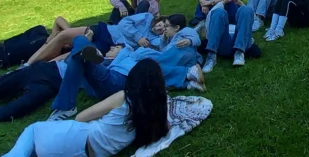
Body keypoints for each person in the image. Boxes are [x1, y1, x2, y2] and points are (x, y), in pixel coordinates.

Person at [1, 59, 169, 157]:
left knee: (33, 129)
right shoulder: (156, 110)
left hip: (78, 139)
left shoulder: (123, 97)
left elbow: (80, 117)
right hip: (91, 152)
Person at [48, 18, 204, 121]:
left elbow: (191, 36)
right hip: (101, 79)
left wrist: (189, 40)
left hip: (117, 79)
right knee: (79, 53)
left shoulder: (146, 51)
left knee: (81, 44)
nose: (162, 29)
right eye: (161, 25)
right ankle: (88, 52)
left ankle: (66, 106)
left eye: (166, 27)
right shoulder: (138, 48)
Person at [25, 12, 162, 66]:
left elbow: (159, 49)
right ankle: (27, 64)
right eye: (162, 24)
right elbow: (124, 23)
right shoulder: (147, 18)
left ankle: (38, 66)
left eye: (164, 29)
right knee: (63, 35)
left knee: (73, 54)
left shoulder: (156, 39)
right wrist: (138, 37)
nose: (160, 28)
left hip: (109, 44)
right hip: (104, 30)